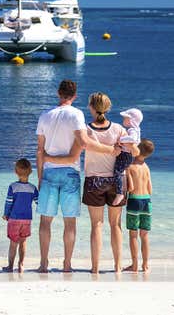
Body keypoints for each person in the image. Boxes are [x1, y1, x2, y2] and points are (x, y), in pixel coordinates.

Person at [44, 92, 139, 274]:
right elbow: (134, 151)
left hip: (94, 181)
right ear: (108, 108)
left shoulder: (86, 131)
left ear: (91, 107)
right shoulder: (119, 129)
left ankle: (95, 268)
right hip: (117, 181)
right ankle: (118, 267)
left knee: (97, 225)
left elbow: (73, 156)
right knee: (115, 225)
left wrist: (47, 158)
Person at [35, 80, 117, 273]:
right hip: (70, 173)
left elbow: (39, 151)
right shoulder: (76, 114)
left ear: (58, 93)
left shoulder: (44, 115)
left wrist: (39, 178)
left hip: (49, 172)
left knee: (45, 221)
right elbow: (84, 143)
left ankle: (44, 264)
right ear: (75, 96)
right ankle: (67, 264)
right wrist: (110, 150)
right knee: (69, 222)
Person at [2, 158, 38, 273]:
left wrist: (6, 214)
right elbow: (38, 202)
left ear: (15, 172)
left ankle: (10, 266)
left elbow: (8, 202)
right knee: (23, 242)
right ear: (30, 172)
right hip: (27, 220)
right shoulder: (33, 188)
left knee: (13, 243)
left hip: (14, 219)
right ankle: (21, 265)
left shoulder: (13, 187)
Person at [123, 138, 154, 273]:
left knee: (133, 235)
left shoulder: (130, 166)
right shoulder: (146, 167)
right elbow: (150, 189)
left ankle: (134, 264)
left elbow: (130, 188)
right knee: (144, 235)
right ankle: (145, 265)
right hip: (147, 201)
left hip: (134, 201)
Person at [111, 108, 143, 206]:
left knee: (117, 172)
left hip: (126, 154)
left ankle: (120, 193)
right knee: (119, 172)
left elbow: (133, 139)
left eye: (125, 118)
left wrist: (120, 139)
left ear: (132, 120)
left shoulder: (132, 130)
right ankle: (120, 192)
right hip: (126, 154)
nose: (123, 120)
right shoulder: (135, 129)